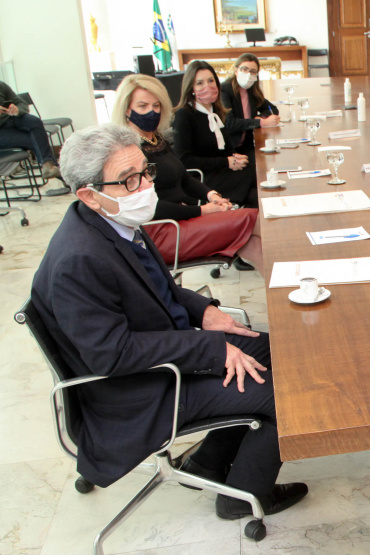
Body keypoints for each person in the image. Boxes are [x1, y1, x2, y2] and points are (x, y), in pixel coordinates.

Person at [31, 124, 308, 520]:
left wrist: (204, 311)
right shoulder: (80, 259)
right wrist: (212, 349)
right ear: (89, 195)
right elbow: (112, 355)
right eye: (129, 181)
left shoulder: (111, 222)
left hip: (167, 352)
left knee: (287, 353)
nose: (145, 186)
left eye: (146, 172)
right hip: (137, 389)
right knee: (284, 390)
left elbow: (154, 288)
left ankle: (207, 463)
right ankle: (244, 496)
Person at [112, 74, 262, 272]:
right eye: (143, 106)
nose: (151, 112)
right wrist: (203, 210)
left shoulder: (156, 139)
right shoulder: (129, 152)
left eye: (156, 106)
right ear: (126, 110)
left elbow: (184, 176)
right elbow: (150, 206)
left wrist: (211, 195)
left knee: (254, 243)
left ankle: (288, 292)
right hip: (161, 231)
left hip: (183, 219)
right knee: (257, 220)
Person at [172, 60, 258, 208]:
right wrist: (226, 162)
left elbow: (225, 148)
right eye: (200, 83)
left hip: (220, 171)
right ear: (191, 88)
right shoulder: (184, 115)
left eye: (211, 80)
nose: (208, 86)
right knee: (257, 174)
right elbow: (184, 160)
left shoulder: (215, 112)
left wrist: (235, 156)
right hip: (201, 179)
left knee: (257, 184)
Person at [0, 80, 61, 180]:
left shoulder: (1, 85)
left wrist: (17, 109)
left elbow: (20, 102)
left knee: (34, 121)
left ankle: (48, 165)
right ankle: (52, 168)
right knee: (37, 141)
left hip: (10, 119)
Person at [221, 53, 280, 153]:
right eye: (244, 69)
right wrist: (261, 122)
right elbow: (229, 123)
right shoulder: (225, 90)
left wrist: (261, 117)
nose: (248, 74)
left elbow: (273, 108)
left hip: (248, 145)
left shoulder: (252, 90)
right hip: (231, 148)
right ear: (236, 71)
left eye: (253, 71)